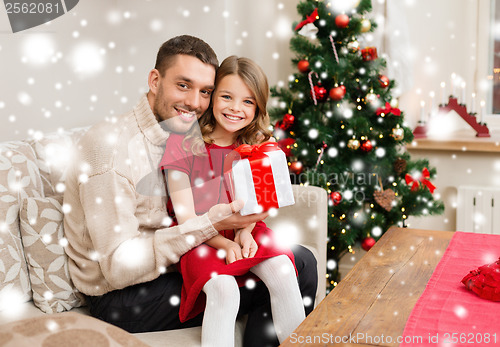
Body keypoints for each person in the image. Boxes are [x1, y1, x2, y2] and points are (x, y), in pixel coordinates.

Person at [63, 35, 318, 346]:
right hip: (123, 296)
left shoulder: (183, 132)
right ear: (155, 80)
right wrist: (213, 232)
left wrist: (240, 229)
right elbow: (118, 270)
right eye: (183, 85)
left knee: (293, 260)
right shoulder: (111, 149)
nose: (195, 103)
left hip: (176, 260)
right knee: (298, 266)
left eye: (205, 92)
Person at [160, 56, 305, 346]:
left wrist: (245, 232)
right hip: (199, 238)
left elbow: (260, 204)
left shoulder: (257, 146)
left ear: (258, 106)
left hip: (244, 229)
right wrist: (226, 243)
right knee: (224, 290)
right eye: (227, 96)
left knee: (283, 270)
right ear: (212, 97)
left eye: (248, 102)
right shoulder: (183, 142)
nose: (236, 108)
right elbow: (187, 219)